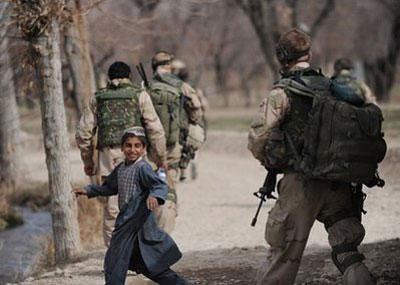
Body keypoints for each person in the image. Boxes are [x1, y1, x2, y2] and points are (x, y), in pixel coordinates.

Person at [248, 29, 376, 284]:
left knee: (284, 253)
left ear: (283, 57)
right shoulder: (333, 88)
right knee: (347, 249)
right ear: (309, 53)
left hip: (301, 184)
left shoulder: (282, 93)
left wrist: (272, 160)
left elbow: (257, 138)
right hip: (338, 182)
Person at [73, 127, 187, 285]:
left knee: (116, 262)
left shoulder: (143, 168)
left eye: (137, 146)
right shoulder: (121, 168)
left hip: (138, 222)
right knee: (147, 265)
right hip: (126, 221)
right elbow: (110, 188)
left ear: (143, 148)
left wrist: (154, 195)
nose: (132, 150)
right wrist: (88, 190)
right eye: (128, 145)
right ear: (122, 147)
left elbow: (159, 185)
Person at [75, 61, 166, 247]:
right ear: (129, 77)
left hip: (108, 156)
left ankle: (115, 251)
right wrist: (159, 157)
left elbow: (83, 133)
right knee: (140, 199)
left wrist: (88, 160)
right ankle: (138, 250)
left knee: (112, 206)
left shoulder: (97, 98)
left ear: (109, 78)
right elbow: (156, 129)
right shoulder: (140, 95)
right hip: (136, 152)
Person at [147, 51, 203, 233]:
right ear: (169, 66)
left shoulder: (145, 87)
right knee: (169, 185)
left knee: (149, 185)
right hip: (173, 146)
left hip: (148, 148)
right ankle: (166, 223)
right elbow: (196, 112)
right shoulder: (183, 87)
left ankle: (151, 221)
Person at [171, 59, 208, 181]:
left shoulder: (175, 87)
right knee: (192, 145)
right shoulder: (193, 87)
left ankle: (183, 172)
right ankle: (191, 164)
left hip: (181, 121)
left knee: (181, 146)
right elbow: (203, 105)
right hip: (193, 121)